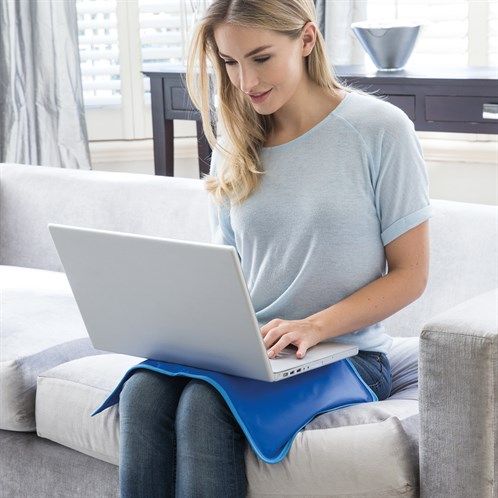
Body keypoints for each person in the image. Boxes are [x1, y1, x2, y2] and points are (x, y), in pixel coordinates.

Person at [118, 1, 432, 496]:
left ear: (306, 40)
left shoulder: (379, 130)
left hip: (346, 353)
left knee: (206, 403)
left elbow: (410, 275)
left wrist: (313, 326)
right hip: (252, 350)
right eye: (229, 62)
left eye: (261, 58)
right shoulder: (237, 138)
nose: (245, 81)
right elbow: (231, 269)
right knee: (141, 392)